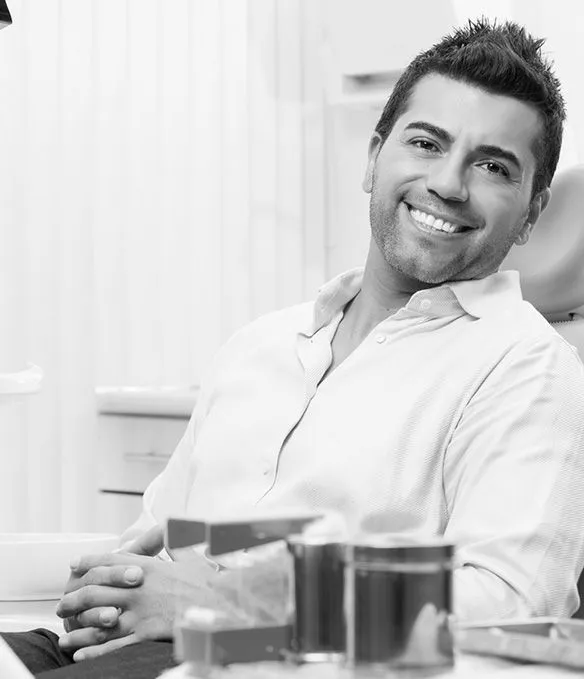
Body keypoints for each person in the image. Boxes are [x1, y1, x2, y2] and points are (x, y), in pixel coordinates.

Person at [4, 16, 584, 678]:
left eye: (492, 165)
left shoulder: (528, 369)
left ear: (532, 211)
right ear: (374, 159)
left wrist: (220, 605)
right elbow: (166, 540)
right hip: (103, 642)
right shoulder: (261, 345)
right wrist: (117, 590)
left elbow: (507, 602)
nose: (449, 183)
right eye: (426, 142)